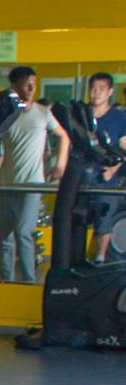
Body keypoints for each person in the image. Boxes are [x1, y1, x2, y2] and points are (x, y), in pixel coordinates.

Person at [0, 66, 67, 283]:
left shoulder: (43, 113)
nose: (31, 88)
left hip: (31, 185)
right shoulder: (5, 114)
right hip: (6, 184)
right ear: (14, 87)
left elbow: (63, 136)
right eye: (26, 84)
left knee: (23, 232)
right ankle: (6, 281)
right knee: (5, 236)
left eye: (33, 83)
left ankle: (29, 281)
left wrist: (60, 164)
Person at [84, 73, 126, 261]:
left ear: (109, 91)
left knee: (104, 221)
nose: (97, 92)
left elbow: (124, 148)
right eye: (93, 88)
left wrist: (112, 170)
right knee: (78, 219)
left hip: (105, 178)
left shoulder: (118, 117)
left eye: (101, 88)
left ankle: (100, 259)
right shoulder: (82, 114)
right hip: (82, 175)